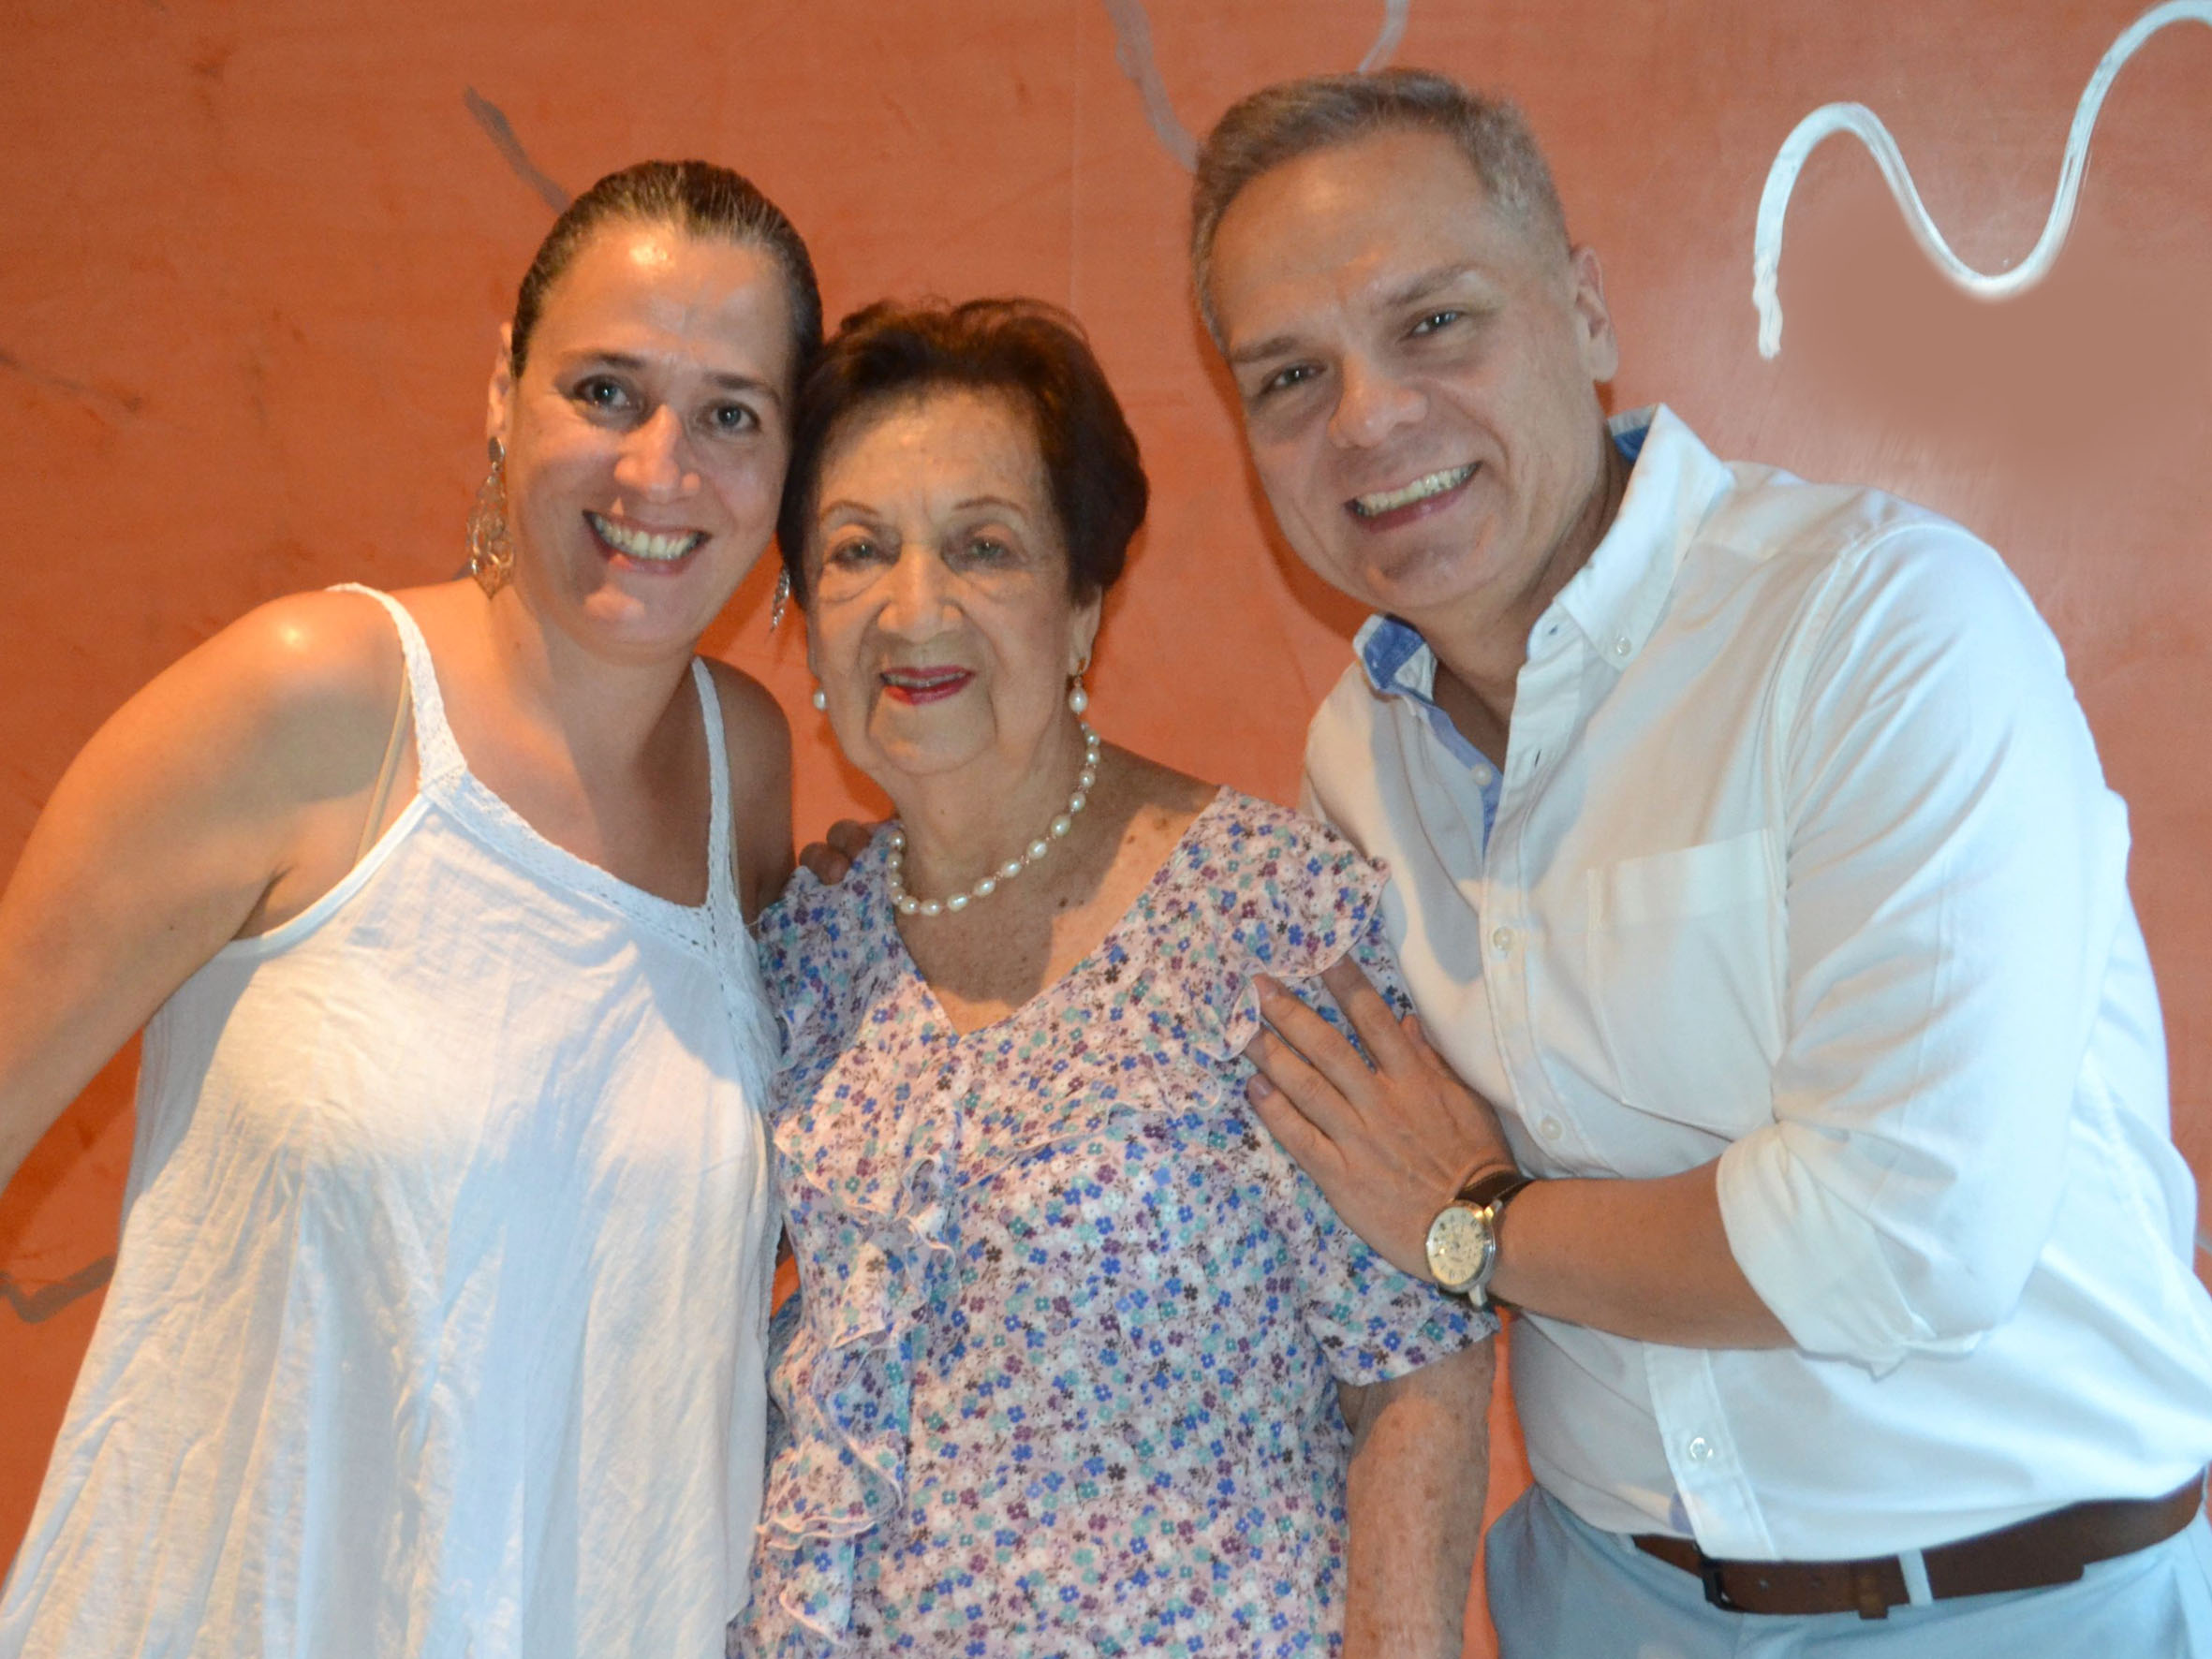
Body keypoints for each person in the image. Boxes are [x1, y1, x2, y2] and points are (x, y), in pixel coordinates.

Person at [1195, 70, 2212, 1655]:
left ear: (1586, 311)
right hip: (1594, 1601)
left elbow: (1903, 1237)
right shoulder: (1354, 760)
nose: (1369, 418)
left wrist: (1475, 1221)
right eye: (1286, 374)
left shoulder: (1879, 625)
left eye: (1435, 323)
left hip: (2018, 1602)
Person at [0, 159, 816, 1658]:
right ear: (502, 395)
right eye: (604, 390)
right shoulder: (315, 699)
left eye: (728, 416)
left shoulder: (743, 772)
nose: (657, 471)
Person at [740, 297, 1492, 1658]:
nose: (917, 610)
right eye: (857, 552)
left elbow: (1416, 1375)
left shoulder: (1266, 923)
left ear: (1085, 603)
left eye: (984, 546)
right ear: (799, 607)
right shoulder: (803, 952)